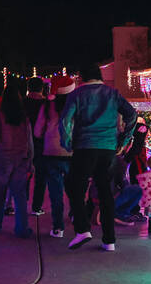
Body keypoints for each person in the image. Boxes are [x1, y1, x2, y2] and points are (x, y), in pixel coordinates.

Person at [60, 63, 137, 252]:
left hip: (84, 146)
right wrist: (123, 140)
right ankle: (109, 240)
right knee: (105, 191)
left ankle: (83, 229)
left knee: (75, 186)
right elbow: (132, 115)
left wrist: (67, 142)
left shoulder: (76, 95)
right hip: (108, 148)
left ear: (82, 77)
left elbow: (65, 121)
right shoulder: (112, 94)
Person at [0, 83, 34, 236]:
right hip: (20, 158)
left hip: (2, 158)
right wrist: (30, 161)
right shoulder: (24, 117)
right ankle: (22, 228)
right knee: (19, 195)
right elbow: (29, 140)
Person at [34, 75, 74, 237]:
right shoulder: (77, 106)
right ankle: (77, 218)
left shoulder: (47, 106)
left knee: (55, 192)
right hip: (72, 153)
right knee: (74, 189)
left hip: (51, 152)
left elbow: (37, 131)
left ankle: (58, 227)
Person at [23, 77, 48, 215]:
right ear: (42, 88)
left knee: (24, 174)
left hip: (24, 142)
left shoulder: (22, 103)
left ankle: (22, 201)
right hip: (42, 143)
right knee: (41, 176)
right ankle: (36, 207)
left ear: (28, 88)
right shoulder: (46, 104)